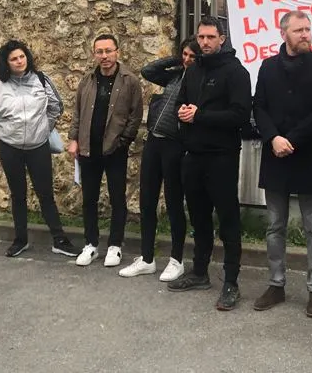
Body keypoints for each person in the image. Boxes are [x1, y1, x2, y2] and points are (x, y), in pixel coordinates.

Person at [251, 10, 312, 318]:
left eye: (308, 29)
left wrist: (292, 140)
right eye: (299, 30)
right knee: (275, 226)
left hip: (307, 156)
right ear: (283, 33)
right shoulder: (268, 66)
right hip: (275, 156)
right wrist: (273, 138)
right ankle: (276, 284)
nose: (305, 34)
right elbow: (258, 106)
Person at [167, 17, 252, 312]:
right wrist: (183, 112)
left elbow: (240, 115)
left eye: (210, 37)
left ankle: (231, 282)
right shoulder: (193, 70)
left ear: (222, 39)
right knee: (199, 217)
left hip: (222, 156)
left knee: (228, 220)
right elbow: (180, 103)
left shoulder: (236, 72)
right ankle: (200, 272)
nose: (204, 42)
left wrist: (199, 115)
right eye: (201, 37)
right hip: (193, 155)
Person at [0, 39, 80, 259]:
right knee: (18, 194)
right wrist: (10, 131)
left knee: (46, 194)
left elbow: (56, 107)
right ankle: (20, 240)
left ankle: (59, 240)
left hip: (38, 146)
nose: (19, 61)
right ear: (6, 63)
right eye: (14, 59)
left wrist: (43, 129)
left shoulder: (41, 80)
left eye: (22, 56)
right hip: (9, 148)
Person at [119, 38, 200, 282]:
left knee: (174, 203)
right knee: (147, 201)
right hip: (154, 141)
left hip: (175, 144)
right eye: (184, 54)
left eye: (192, 56)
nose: (187, 59)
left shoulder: (199, 81)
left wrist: (192, 66)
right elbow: (148, 71)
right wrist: (176, 60)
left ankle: (176, 260)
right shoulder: (174, 75)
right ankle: (146, 259)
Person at [68, 34, 143, 267]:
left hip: (114, 150)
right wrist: (74, 139)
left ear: (117, 52)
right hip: (88, 149)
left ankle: (115, 246)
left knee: (117, 198)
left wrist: (123, 141)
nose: (104, 56)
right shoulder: (87, 80)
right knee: (89, 199)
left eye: (108, 51)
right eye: (99, 51)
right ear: (94, 54)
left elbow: (135, 115)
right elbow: (77, 112)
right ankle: (90, 245)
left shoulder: (130, 81)